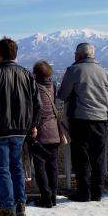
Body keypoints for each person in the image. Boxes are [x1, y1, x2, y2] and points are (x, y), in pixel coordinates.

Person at [0, 37, 41, 216]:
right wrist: (32, 124)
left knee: (2, 169)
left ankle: (6, 207)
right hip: (20, 130)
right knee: (16, 166)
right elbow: (37, 103)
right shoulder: (27, 75)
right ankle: (20, 204)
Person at [57, 43, 108, 202]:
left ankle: (84, 192)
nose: (74, 56)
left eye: (75, 54)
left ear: (80, 55)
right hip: (101, 121)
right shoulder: (106, 74)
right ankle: (97, 192)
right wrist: (107, 119)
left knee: (81, 157)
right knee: (98, 158)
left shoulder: (73, 71)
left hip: (80, 120)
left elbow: (62, 95)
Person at [31, 61, 60, 208]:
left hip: (40, 131)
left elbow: (35, 109)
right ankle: (53, 196)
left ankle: (46, 197)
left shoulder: (34, 88)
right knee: (53, 164)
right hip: (54, 130)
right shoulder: (52, 86)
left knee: (40, 165)